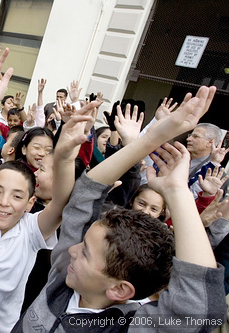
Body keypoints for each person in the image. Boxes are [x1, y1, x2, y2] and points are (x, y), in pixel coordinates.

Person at [12, 86, 226, 332]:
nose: (71, 249)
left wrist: (178, 192)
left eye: (86, 253)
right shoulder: (63, 279)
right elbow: (86, 193)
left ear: (120, 289)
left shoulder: (126, 327)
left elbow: (198, 310)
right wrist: (151, 139)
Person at [0, 44, 99, 333]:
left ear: (30, 203)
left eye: (17, 196)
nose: (3, 202)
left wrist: (64, 154)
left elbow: (62, 202)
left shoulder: (30, 231)